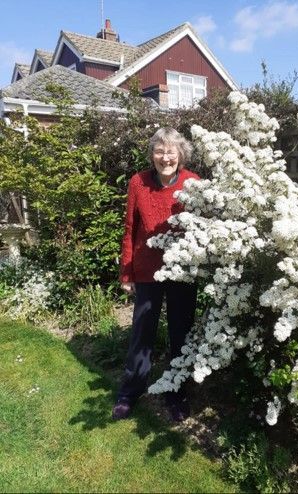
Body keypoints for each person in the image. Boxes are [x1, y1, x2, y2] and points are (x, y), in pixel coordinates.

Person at [112, 127, 199, 422]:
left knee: (181, 333)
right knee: (141, 333)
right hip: (147, 271)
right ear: (152, 155)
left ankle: (176, 393)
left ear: (181, 155)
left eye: (171, 151)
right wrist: (127, 273)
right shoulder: (138, 183)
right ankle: (130, 392)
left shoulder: (193, 184)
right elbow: (129, 229)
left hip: (182, 272)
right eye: (160, 151)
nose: (165, 157)